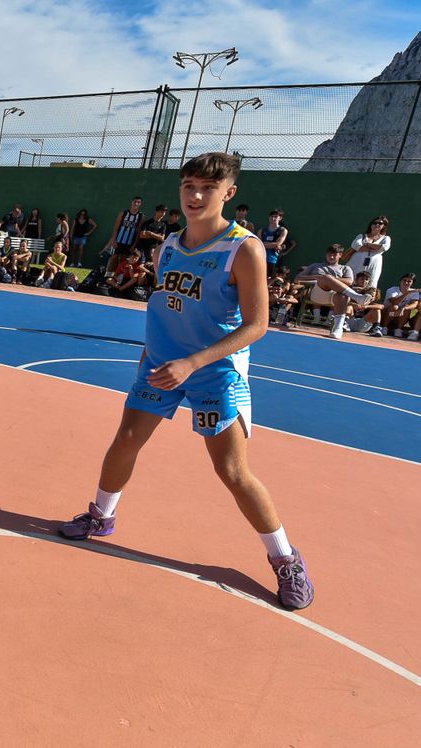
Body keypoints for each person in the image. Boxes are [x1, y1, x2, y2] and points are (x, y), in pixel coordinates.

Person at [57, 151, 314, 609]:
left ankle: (286, 558)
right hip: (159, 365)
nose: (195, 196)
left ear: (229, 194)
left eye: (207, 189)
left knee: (232, 471)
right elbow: (168, 307)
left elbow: (257, 325)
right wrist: (150, 356)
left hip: (214, 373)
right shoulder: (170, 244)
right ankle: (102, 517)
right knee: (125, 442)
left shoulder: (244, 248)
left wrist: (192, 363)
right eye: (188, 186)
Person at [294, 243, 371, 339]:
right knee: (326, 278)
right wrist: (318, 277)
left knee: (342, 295)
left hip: (335, 297)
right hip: (317, 294)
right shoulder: (315, 266)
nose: (331, 256)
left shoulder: (345, 268)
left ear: (340, 255)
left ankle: (338, 329)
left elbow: (349, 281)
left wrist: (330, 279)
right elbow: (297, 279)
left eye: (334, 254)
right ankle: (356, 297)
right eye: (329, 254)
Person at [347, 216, 392, 289]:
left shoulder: (386, 238)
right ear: (371, 225)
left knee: (371, 282)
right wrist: (375, 248)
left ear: (384, 226)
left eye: (380, 223)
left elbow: (384, 247)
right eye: (375, 223)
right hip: (356, 262)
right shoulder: (361, 236)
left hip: (374, 264)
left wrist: (367, 244)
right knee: (352, 279)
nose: (377, 225)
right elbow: (356, 246)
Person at [105, 196, 144, 262]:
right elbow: (116, 228)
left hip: (130, 243)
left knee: (125, 260)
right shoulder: (123, 213)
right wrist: (114, 240)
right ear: (132, 202)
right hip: (119, 241)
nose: (136, 204)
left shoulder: (141, 216)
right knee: (113, 258)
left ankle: (121, 272)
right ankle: (109, 272)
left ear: (140, 204)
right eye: (135, 202)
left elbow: (139, 232)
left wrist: (134, 244)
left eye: (138, 202)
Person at [382, 272, 420, 338]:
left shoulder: (414, 292)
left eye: (409, 281)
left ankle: (398, 329)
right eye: (404, 280)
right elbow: (394, 302)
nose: (406, 283)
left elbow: (415, 304)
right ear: (400, 281)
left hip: (400, 316)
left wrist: (404, 308)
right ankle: (384, 327)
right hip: (387, 314)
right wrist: (407, 293)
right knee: (394, 307)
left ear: (412, 283)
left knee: (407, 309)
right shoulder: (392, 290)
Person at [258, 209, 287, 277]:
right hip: (260, 259)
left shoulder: (283, 230)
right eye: (271, 216)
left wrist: (262, 244)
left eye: (275, 216)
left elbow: (277, 244)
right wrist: (271, 244)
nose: (273, 218)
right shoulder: (262, 230)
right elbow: (257, 244)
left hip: (273, 260)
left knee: (269, 281)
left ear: (280, 218)